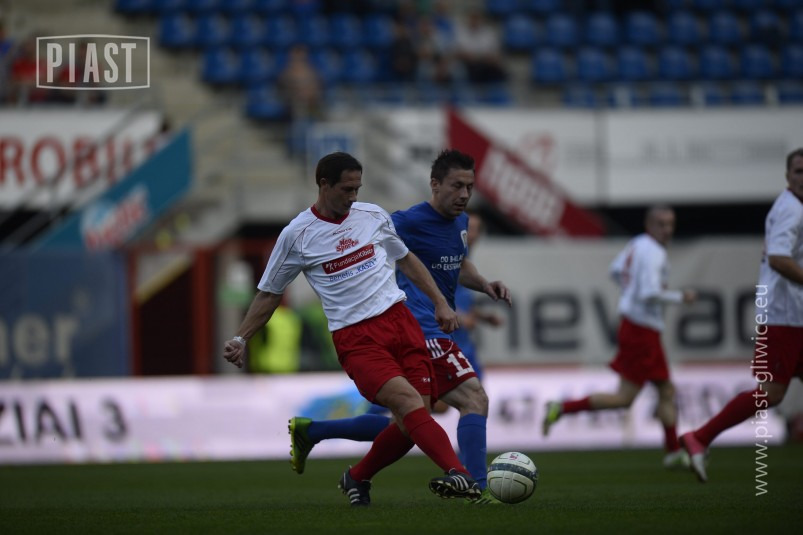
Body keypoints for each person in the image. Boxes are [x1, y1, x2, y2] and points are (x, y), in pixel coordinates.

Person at [223, 152, 481, 506]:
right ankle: (460, 474)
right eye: (346, 189)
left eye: (357, 188)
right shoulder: (297, 235)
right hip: (358, 338)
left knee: (410, 423)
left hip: (401, 323)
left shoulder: (372, 215)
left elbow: (406, 259)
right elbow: (269, 294)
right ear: (323, 185)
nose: (353, 196)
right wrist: (241, 338)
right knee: (409, 405)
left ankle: (356, 477)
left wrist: (439, 302)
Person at [287, 150, 512, 504]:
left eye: (470, 187)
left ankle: (334, 452)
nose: (464, 194)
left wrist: (484, 284)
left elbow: (459, 264)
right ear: (435, 184)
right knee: (471, 399)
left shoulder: (460, 222)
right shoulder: (406, 221)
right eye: (457, 186)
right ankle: (477, 487)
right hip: (418, 325)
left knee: (410, 420)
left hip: (429, 327)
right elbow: (376, 240)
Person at [541, 205, 697, 470]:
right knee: (626, 398)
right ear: (649, 225)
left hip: (638, 327)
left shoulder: (638, 243)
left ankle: (673, 451)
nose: (667, 229)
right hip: (641, 330)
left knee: (665, 390)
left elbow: (615, 271)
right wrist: (681, 297)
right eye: (661, 224)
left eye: (670, 224)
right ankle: (562, 408)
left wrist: (630, 292)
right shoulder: (654, 252)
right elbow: (648, 293)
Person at [680, 148, 803, 483]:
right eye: (798, 171)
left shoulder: (793, 207)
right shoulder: (791, 209)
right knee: (771, 394)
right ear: (787, 176)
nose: (802, 178)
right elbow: (778, 258)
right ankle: (700, 437)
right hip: (784, 317)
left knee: (772, 393)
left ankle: (700, 437)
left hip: (793, 315)